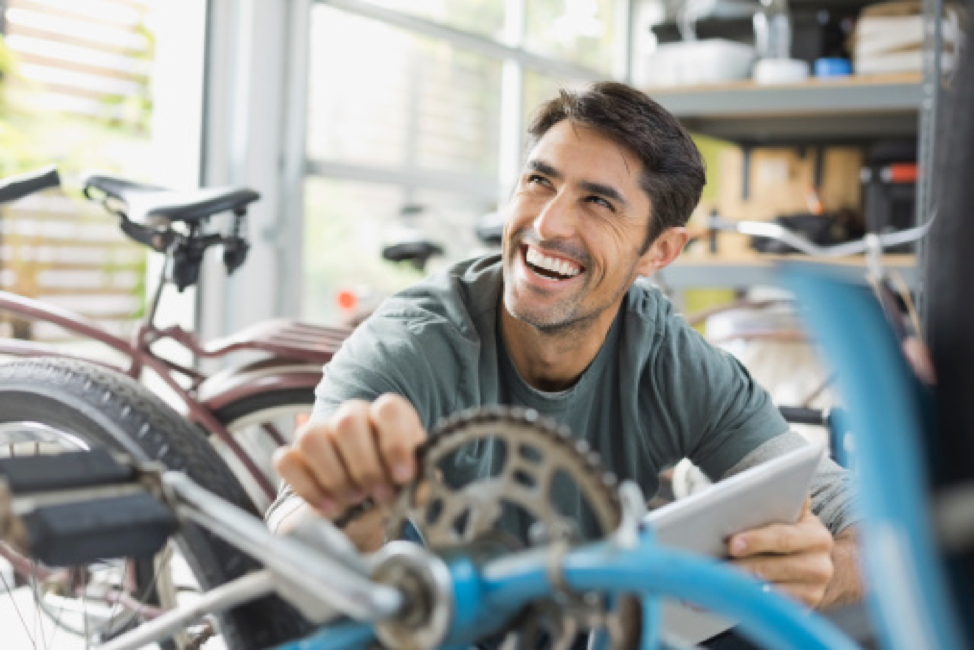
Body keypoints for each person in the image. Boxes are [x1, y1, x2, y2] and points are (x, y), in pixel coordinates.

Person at [269, 82, 863, 618]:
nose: (548, 224)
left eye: (598, 202)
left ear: (659, 251)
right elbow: (297, 544)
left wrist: (826, 572)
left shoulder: (669, 359)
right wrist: (345, 516)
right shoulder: (411, 344)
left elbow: (862, 518)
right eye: (539, 181)